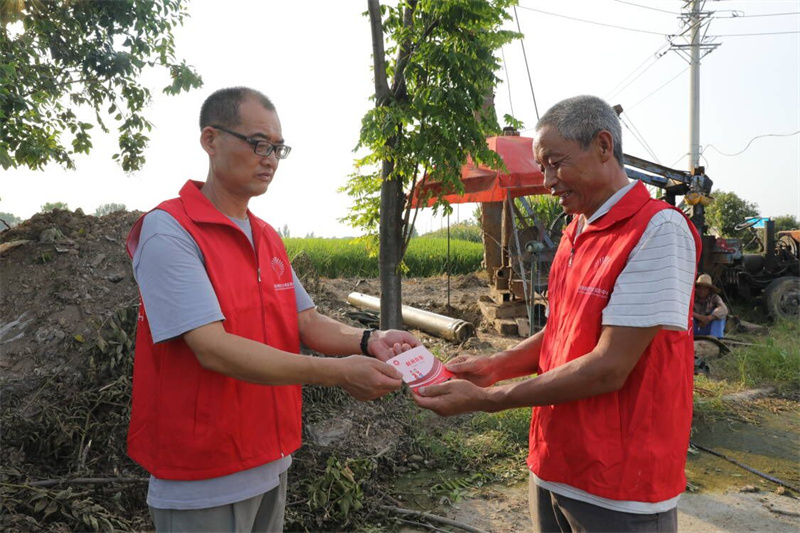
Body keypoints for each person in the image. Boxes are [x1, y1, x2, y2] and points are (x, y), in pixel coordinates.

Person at [125, 86, 420, 533]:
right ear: (210, 140)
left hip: (270, 459)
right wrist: (339, 373)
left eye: (278, 148)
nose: (270, 160)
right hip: (203, 476)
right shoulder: (170, 231)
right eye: (258, 144)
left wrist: (369, 340)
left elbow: (306, 321)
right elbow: (212, 348)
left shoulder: (265, 236)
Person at [415, 95, 701, 532]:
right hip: (555, 462)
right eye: (542, 166)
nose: (547, 180)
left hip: (619, 485)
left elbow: (609, 367)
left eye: (555, 163)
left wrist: (491, 400)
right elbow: (562, 332)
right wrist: (495, 366)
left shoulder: (657, 230)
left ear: (603, 146)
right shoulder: (574, 232)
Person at [692, 273, 728, 338]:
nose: (702, 291)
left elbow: (724, 309)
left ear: (709, 290)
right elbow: (683, 310)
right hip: (694, 328)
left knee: (720, 316)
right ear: (696, 288)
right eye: (700, 288)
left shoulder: (715, 297)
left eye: (705, 289)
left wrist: (709, 318)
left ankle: (716, 339)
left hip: (709, 328)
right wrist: (698, 317)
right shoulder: (691, 297)